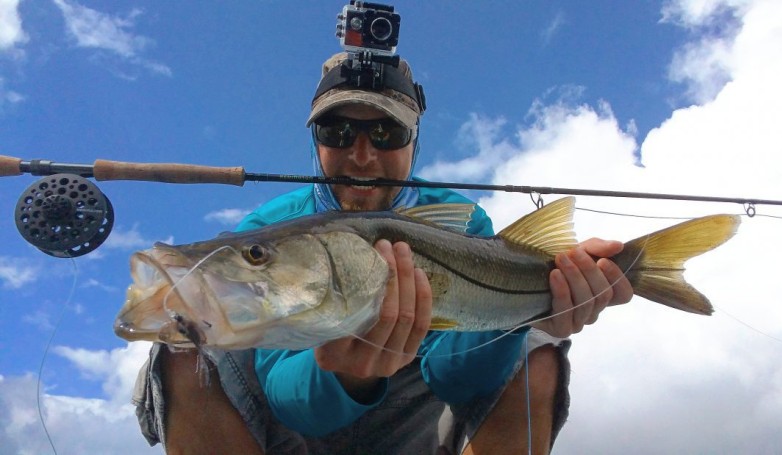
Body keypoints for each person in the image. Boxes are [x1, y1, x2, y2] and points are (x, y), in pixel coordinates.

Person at [133, 52, 633, 455]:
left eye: (387, 133)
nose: (362, 154)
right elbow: (290, 402)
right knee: (183, 345)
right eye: (338, 132)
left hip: (417, 426)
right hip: (290, 435)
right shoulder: (271, 225)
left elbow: (460, 379)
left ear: (414, 140)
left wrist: (525, 313)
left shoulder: (461, 220)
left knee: (537, 347)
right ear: (315, 139)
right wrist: (346, 373)